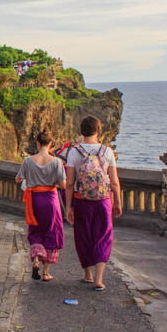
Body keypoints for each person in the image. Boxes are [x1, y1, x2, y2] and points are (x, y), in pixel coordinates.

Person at [64, 116, 122, 291]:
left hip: (82, 201)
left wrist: (68, 206)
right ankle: (99, 278)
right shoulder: (107, 152)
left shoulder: (74, 152)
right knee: (103, 236)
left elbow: (69, 183)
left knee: (83, 235)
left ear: (82, 131)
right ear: (98, 131)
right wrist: (117, 201)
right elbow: (114, 182)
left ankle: (87, 274)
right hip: (103, 200)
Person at [17, 130, 67, 282]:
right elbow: (63, 185)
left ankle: (36, 260)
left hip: (34, 200)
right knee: (51, 230)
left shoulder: (28, 160)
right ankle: (45, 273)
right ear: (51, 144)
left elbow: (18, 179)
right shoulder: (56, 162)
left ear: (37, 143)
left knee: (36, 229)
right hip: (51, 200)